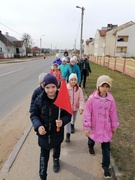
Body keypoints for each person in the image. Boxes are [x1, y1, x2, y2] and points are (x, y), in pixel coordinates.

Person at [30, 74, 71, 180]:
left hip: (57, 133)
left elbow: (68, 115)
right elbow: (33, 114)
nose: (50, 90)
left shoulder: (62, 99)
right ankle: (42, 175)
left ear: (57, 86)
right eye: (47, 87)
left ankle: (56, 159)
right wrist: (38, 126)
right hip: (43, 135)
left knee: (56, 149)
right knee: (43, 156)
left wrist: (62, 121)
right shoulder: (39, 100)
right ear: (43, 87)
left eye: (53, 87)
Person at [82, 75, 119, 178]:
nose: (105, 89)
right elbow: (87, 113)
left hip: (105, 127)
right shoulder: (92, 99)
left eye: (107, 86)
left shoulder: (111, 99)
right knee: (92, 138)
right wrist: (86, 126)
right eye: (103, 86)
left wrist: (114, 125)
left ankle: (105, 167)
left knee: (106, 148)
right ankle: (90, 145)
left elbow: (113, 113)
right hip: (94, 125)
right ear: (98, 86)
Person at [65, 73, 84, 142]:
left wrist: (81, 108)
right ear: (69, 80)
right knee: (68, 121)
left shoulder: (79, 89)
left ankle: (72, 124)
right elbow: (64, 98)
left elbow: (81, 99)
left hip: (75, 107)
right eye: (72, 80)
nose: (73, 81)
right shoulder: (66, 88)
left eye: (75, 80)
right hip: (68, 108)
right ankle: (68, 134)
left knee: (73, 118)